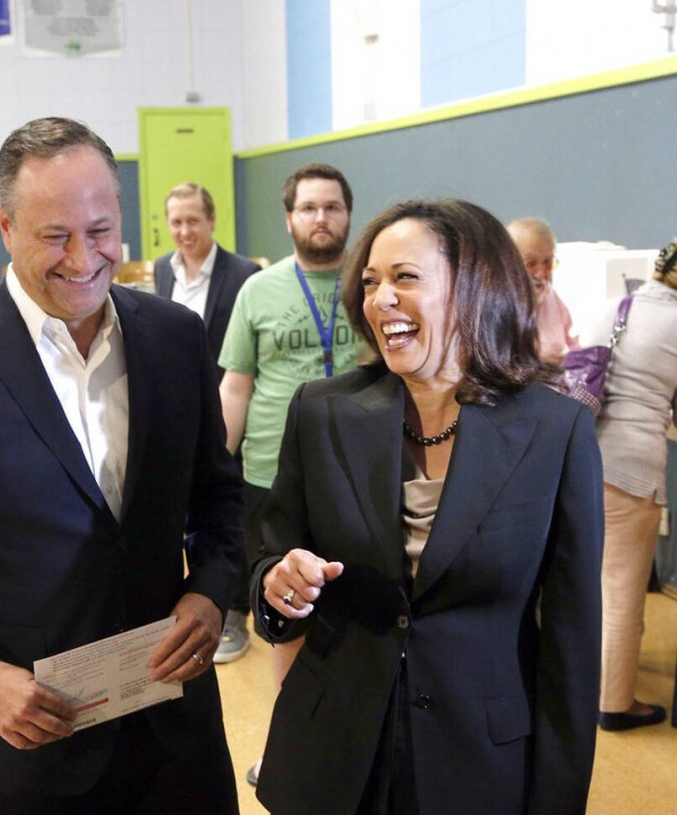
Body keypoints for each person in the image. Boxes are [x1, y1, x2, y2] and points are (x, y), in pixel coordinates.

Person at [0, 117, 243, 815]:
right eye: (55, 236)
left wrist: (211, 593)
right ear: (5, 226)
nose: (83, 258)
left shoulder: (174, 337)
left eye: (100, 231)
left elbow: (222, 501)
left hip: (177, 729)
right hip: (33, 739)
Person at [250, 199, 604, 814]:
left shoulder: (555, 431)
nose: (381, 299)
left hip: (478, 758)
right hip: (335, 752)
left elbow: (571, 644)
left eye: (405, 277)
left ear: (473, 288)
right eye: (370, 283)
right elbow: (269, 561)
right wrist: (277, 585)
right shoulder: (321, 411)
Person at [218, 162, 364, 780]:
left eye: (332, 206)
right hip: (272, 476)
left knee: (358, 617)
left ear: (348, 214)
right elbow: (236, 386)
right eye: (309, 207)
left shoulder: (373, 282)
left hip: (361, 476)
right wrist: (213, 469)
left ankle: (353, 750)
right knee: (284, 616)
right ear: (289, 218)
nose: (320, 218)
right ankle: (290, 747)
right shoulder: (258, 290)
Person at [595, 237, 677, 732]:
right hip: (633, 467)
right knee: (623, 592)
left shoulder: (616, 305)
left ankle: (584, 682)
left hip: (588, 456)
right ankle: (616, 702)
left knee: (591, 583)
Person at [154, 182, 261, 381]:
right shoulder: (162, 268)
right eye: (176, 223)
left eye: (193, 221)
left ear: (212, 220)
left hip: (220, 389)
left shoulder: (244, 274)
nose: (185, 232)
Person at [507, 216, 579, 362]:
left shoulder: (552, 297)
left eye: (547, 262)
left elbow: (573, 346)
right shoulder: (496, 304)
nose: (541, 273)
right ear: (509, 263)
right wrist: (540, 363)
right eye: (530, 263)